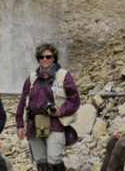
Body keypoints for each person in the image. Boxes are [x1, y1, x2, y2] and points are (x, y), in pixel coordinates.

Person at [16, 43, 80, 171]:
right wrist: (19, 125)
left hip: (55, 123)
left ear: (54, 58)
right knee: (40, 160)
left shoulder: (63, 76)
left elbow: (75, 100)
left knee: (54, 159)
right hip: (34, 125)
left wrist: (60, 111)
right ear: (38, 58)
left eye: (48, 57)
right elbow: (22, 102)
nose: (44, 59)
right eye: (41, 57)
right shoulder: (32, 78)